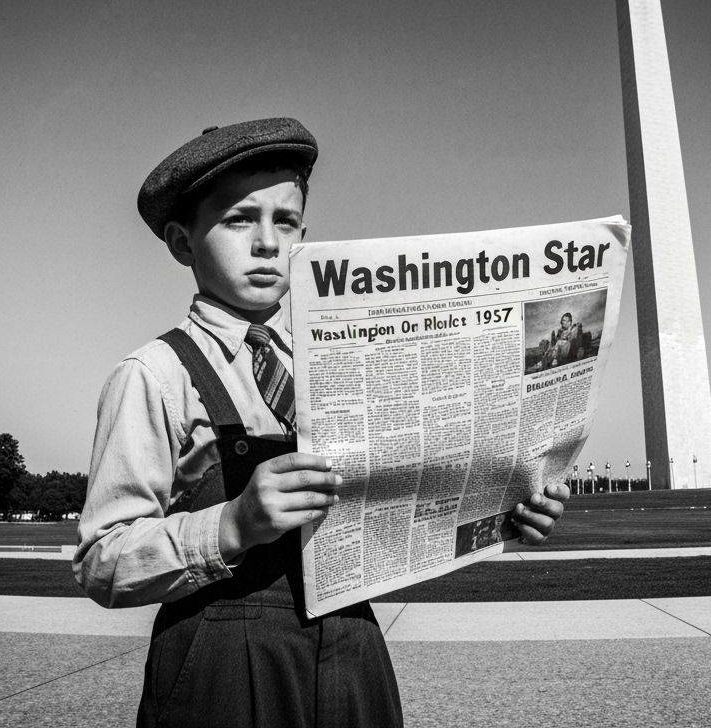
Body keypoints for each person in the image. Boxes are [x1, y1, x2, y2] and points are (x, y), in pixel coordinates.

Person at [74, 117, 571, 728]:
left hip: (352, 647)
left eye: (285, 221)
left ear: (304, 237)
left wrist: (502, 509)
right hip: (224, 658)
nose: (267, 242)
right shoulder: (154, 374)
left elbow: (399, 509)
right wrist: (231, 524)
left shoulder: (336, 362)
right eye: (239, 219)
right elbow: (103, 561)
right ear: (182, 242)